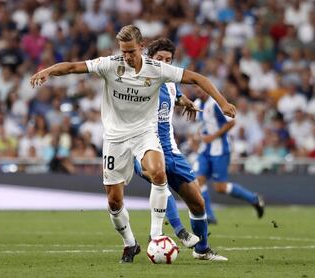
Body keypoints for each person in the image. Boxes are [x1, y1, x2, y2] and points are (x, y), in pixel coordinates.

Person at [30, 25, 236, 263]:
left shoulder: (158, 70)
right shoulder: (110, 64)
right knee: (114, 201)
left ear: (141, 47)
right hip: (115, 139)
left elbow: (198, 79)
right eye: (123, 51)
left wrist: (222, 102)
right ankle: (130, 243)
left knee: (159, 173)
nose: (127, 56)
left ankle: (157, 235)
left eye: (131, 51)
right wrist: (48, 71)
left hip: (144, 134)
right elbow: (74, 67)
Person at [134, 38, 228, 261]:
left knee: (197, 202)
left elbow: (175, 94)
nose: (164, 63)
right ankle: (180, 232)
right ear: (149, 58)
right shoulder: (138, 79)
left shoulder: (169, 80)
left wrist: (185, 101)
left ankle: (202, 250)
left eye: (168, 60)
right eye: (160, 59)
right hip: (144, 148)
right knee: (160, 181)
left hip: (171, 150)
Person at [193, 86, 264, 224]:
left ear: (207, 89)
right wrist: (196, 136)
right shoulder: (196, 104)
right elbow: (203, 124)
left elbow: (232, 122)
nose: (198, 90)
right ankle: (209, 215)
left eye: (201, 88)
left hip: (220, 149)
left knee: (220, 187)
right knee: (198, 180)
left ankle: (253, 199)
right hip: (205, 149)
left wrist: (213, 136)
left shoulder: (215, 104)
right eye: (196, 88)